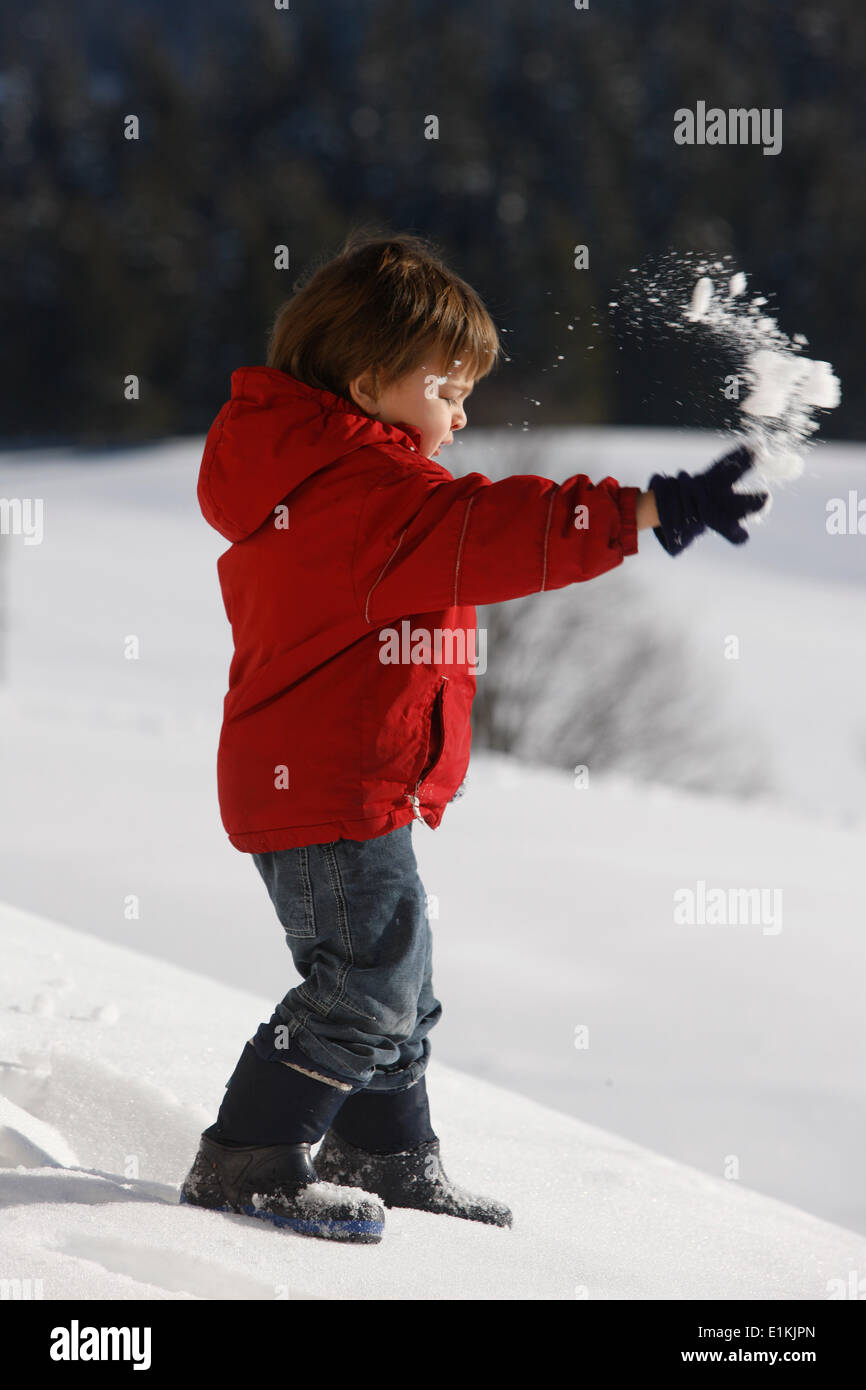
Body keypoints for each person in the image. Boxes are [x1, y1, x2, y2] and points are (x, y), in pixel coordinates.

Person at [180, 231, 767, 1243]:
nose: (459, 416)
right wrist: (645, 506)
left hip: (337, 785)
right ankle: (247, 1157)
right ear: (369, 382)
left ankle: (386, 1155)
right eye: (447, 391)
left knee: (397, 983)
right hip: (325, 789)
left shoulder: (323, 481)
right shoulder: (367, 497)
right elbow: (495, 532)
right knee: (363, 986)